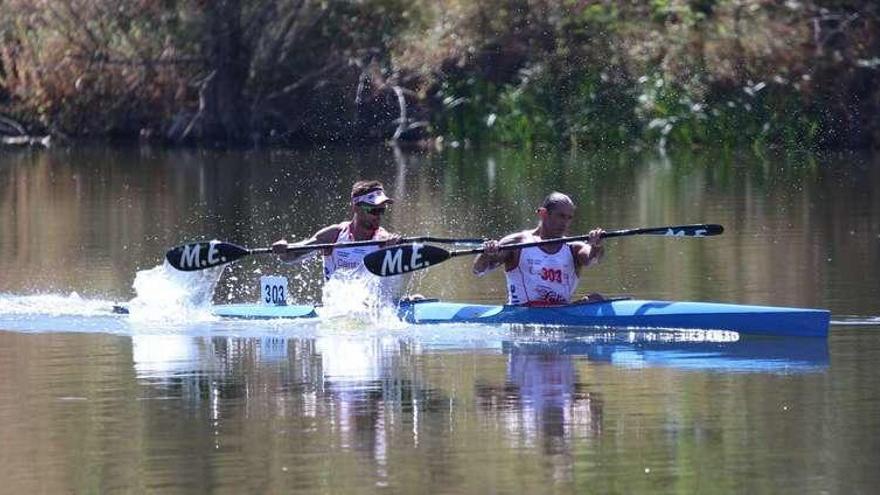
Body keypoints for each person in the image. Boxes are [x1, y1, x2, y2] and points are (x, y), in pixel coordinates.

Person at [472, 192, 605, 306]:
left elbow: (592, 258)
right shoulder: (516, 243)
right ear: (543, 213)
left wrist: (596, 245)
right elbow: (478, 270)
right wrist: (486, 254)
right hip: (522, 313)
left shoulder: (574, 248)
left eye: (569, 218)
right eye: (561, 216)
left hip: (560, 313)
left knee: (596, 299)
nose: (565, 223)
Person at [272, 180, 400, 282]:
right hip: (337, 307)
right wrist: (284, 249)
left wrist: (393, 251)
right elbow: (290, 257)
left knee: (416, 297)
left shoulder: (383, 239)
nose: (378, 216)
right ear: (356, 208)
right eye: (373, 210)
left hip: (371, 307)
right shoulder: (333, 236)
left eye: (382, 210)